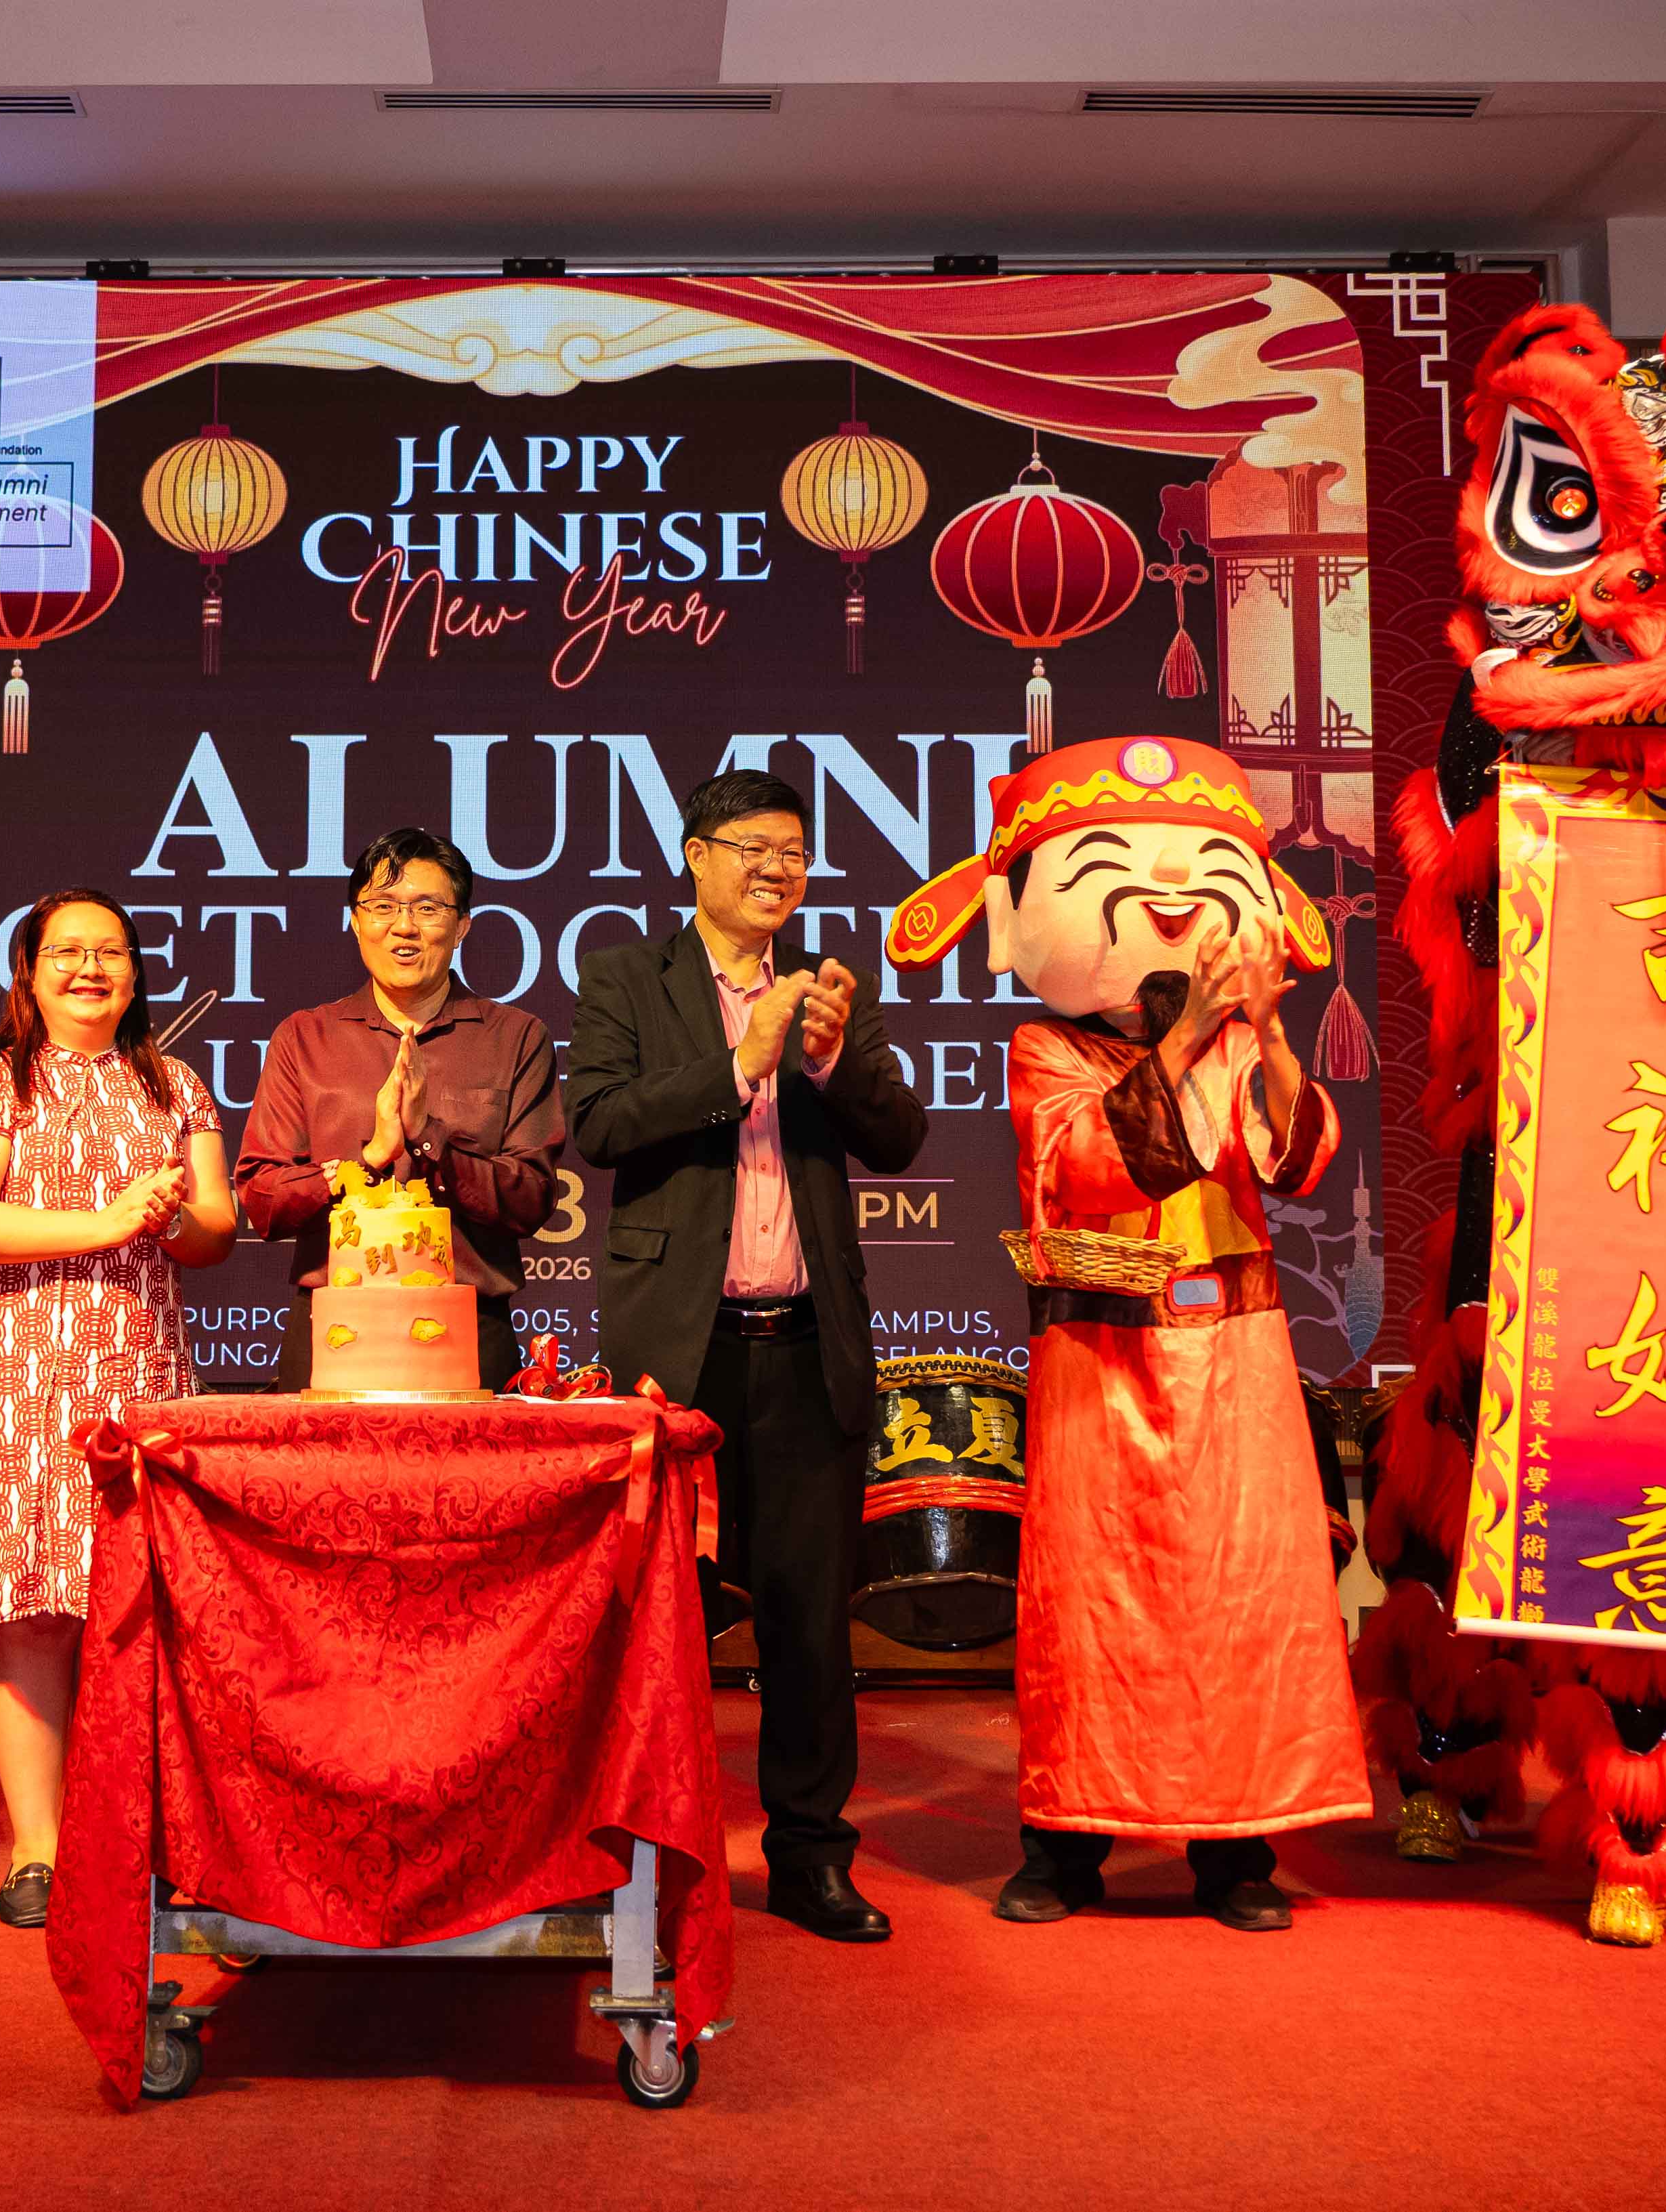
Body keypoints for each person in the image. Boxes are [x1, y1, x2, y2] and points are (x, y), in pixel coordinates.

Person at [885, 733, 1367, 1933]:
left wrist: (1264, 1036)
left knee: (1239, 1601)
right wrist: (1195, 1033)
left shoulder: (1238, 1039)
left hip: (1240, 1355)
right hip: (1102, 1360)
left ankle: (1235, 1850)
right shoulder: (1048, 1049)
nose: (1169, 900)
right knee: (1096, 1606)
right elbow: (1105, 1169)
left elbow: (1296, 1163)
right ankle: (1067, 1841)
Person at [570, 769, 929, 1943]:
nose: (779, 869)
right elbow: (602, 1123)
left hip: (804, 1347)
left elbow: (898, 1134)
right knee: (655, 1621)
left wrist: (822, 1058)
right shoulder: (630, 976)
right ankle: (649, 1860)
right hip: (681, 1352)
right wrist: (739, 1064)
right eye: (755, 848)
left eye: (797, 852)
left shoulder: (825, 987)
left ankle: (814, 1856)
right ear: (696, 855)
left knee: (808, 1624)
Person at [0, 889, 236, 1930]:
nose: (89, 967)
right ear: (30, 970)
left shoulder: (176, 1081)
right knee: (30, 1614)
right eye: (67, 951)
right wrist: (101, 1221)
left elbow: (214, 1232)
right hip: (16, 1368)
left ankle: (145, 1835)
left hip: (138, 1364)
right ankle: (38, 1850)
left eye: (109, 951)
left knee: (140, 1611)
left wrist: (172, 1210)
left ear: (137, 974)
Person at [234, 828, 565, 1390]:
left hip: (468, 1331)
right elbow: (263, 1199)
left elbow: (531, 1199)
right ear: (356, 922)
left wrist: (429, 1137)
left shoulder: (515, 1037)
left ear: (462, 926)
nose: (404, 927)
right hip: (333, 1327)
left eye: (428, 908)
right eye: (382, 907)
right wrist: (366, 1161)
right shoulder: (305, 1037)